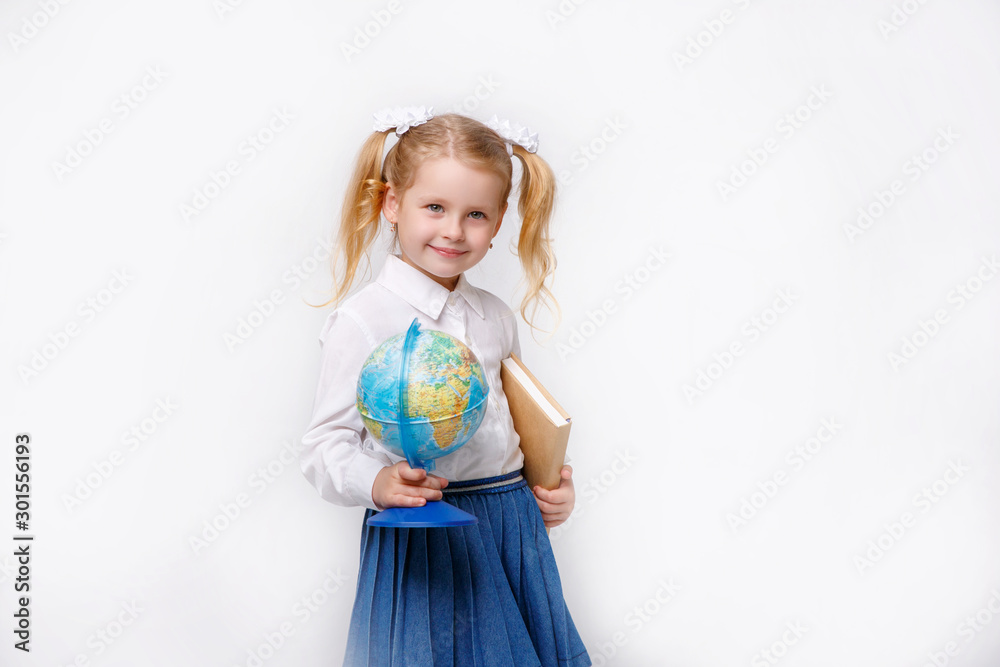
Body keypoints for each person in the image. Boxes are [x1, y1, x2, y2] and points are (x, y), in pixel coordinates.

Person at [299, 106, 591, 667]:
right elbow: (324, 447)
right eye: (434, 207)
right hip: (421, 530)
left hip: (510, 525)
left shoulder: (495, 317)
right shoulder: (364, 321)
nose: (454, 230)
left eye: (476, 214)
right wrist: (378, 480)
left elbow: (512, 425)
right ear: (391, 203)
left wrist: (548, 488)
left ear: (499, 223)